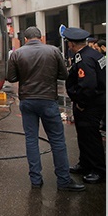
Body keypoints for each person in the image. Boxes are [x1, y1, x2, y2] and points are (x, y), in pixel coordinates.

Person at [6, 27, 85, 191]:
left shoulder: (17, 53)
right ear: (40, 37)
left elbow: (11, 77)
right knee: (57, 141)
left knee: (31, 140)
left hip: (27, 101)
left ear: (26, 39)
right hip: (48, 100)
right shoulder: (53, 51)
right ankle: (63, 181)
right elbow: (64, 75)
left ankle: (36, 180)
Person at [63, 27, 106, 184]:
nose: (68, 46)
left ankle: (98, 170)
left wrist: (81, 103)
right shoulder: (94, 54)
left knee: (91, 137)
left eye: (69, 43)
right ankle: (85, 164)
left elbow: (87, 85)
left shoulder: (84, 59)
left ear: (72, 44)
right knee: (84, 135)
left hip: (90, 104)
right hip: (97, 100)